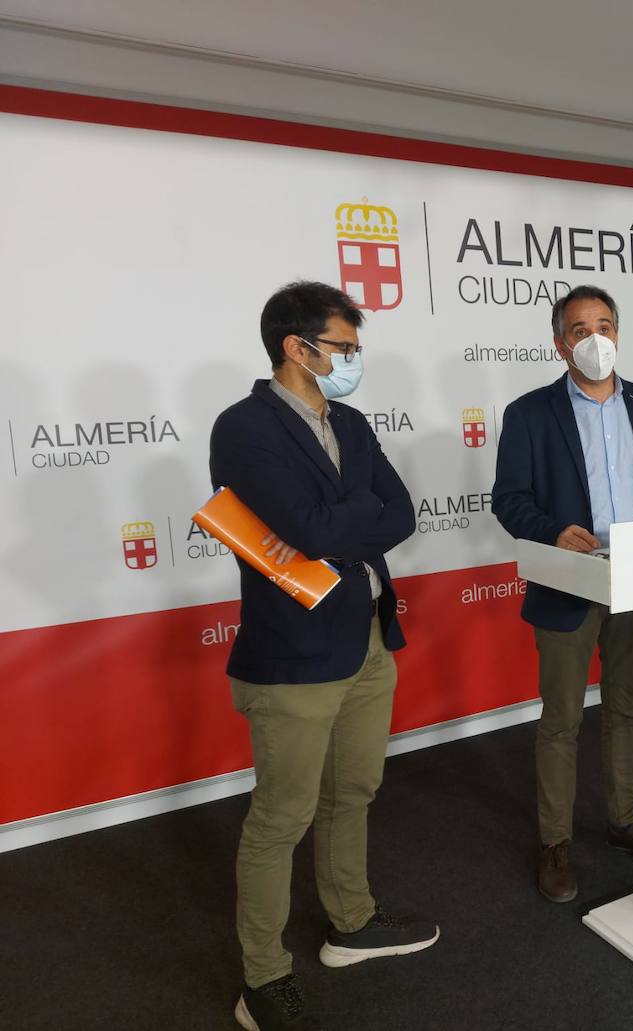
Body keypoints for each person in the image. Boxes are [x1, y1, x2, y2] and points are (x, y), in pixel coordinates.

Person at [210, 281, 438, 1031]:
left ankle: (352, 922)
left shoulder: (352, 420)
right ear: (296, 348)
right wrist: (352, 518)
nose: (352, 360)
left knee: (356, 790)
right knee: (281, 816)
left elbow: (400, 510)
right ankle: (263, 977)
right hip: (294, 653)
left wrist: (348, 522)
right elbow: (305, 530)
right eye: (342, 347)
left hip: (368, 633)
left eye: (354, 348)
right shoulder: (244, 427)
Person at [492, 284, 633, 903]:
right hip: (569, 584)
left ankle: (624, 821)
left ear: (619, 334)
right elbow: (509, 499)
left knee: (628, 707)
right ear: (559, 343)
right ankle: (556, 842)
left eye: (604, 325)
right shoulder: (529, 413)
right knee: (563, 719)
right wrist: (552, 530)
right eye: (580, 329)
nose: (594, 338)